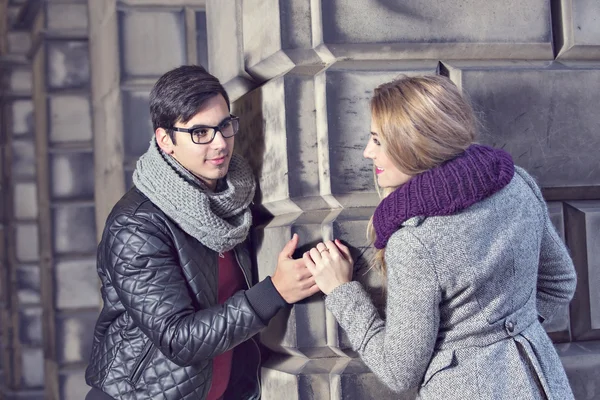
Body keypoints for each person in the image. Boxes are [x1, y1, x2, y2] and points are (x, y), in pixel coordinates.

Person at [304, 75, 577, 399]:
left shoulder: (415, 243)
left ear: (413, 144)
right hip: (543, 383)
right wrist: (515, 334)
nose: (366, 152)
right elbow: (560, 283)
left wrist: (341, 291)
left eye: (377, 140)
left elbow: (399, 372)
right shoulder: (517, 183)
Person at [84, 65, 319, 400]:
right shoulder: (136, 224)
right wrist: (275, 292)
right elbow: (178, 339)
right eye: (200, 133)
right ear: (166, 140)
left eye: (225, 125)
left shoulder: (232, 199)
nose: (220, 143)